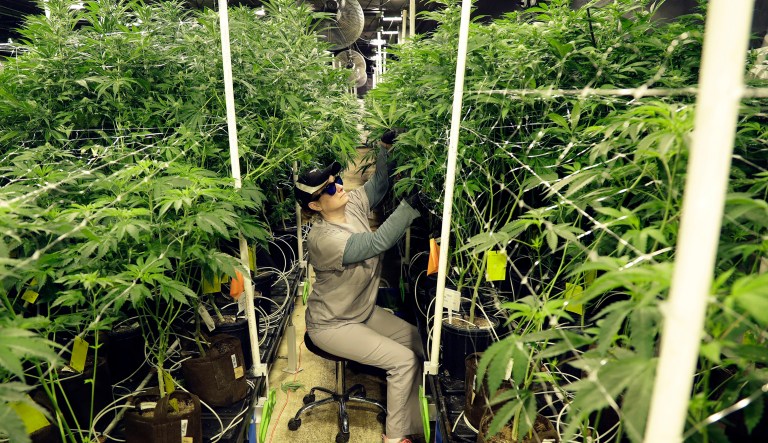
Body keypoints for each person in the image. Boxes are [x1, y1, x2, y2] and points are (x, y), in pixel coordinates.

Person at [294, 131, 425, 443]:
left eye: (337, 179)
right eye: (329, 188)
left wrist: (385, 148)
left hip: (362, 312)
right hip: (332, 325)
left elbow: (378, 186)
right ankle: (394, 438)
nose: (339, 186)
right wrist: (410, 206)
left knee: (419, 342)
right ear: (315, 205)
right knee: (402, 360)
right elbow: (379, 241)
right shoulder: (323, 239)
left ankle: (414, 425)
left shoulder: (349, 203)